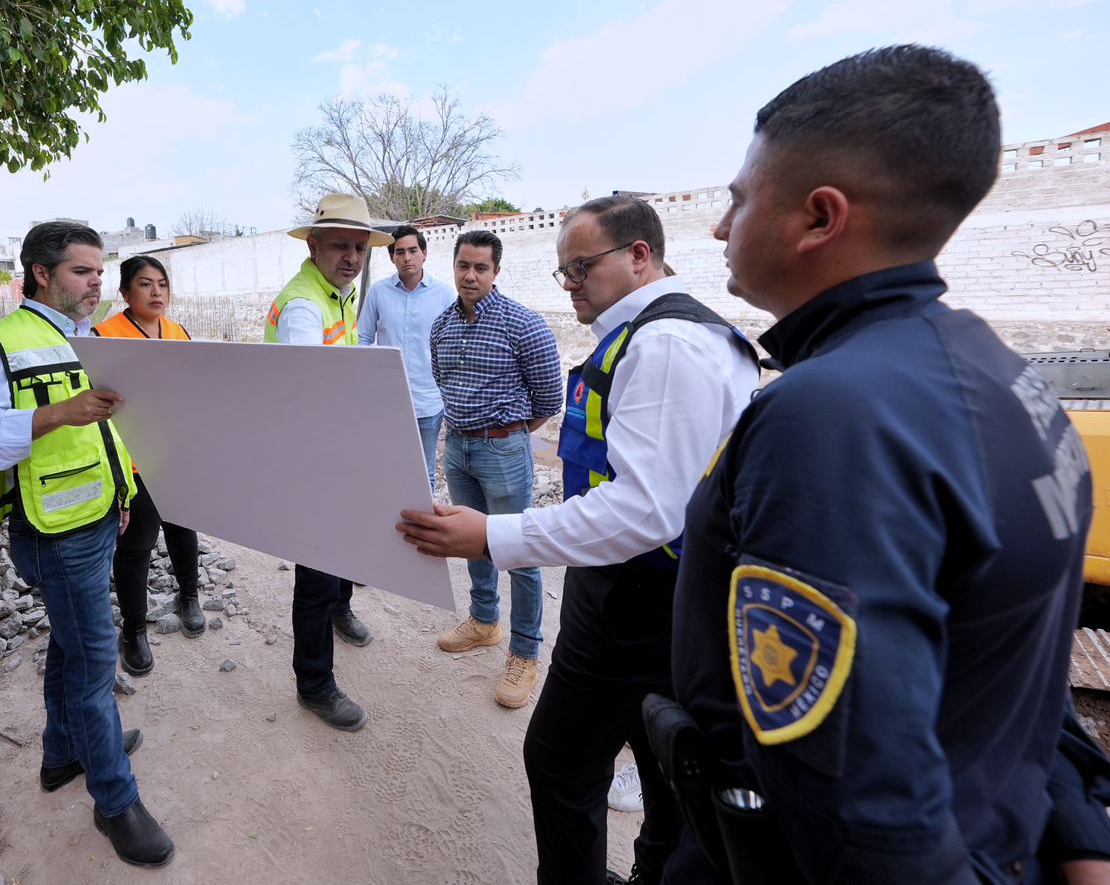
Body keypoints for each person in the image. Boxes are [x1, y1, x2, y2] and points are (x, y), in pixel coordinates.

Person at [665, 45, 1110, 883]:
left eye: (738, 200)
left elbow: (860, 807)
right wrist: (1087, 840)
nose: (718, 226)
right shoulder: (996, 371)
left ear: (820, 217)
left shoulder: (834, 414)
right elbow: (1008, 664)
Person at [399, 198, 757, 883]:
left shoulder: (665, 346)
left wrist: (495, 535)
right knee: (664, 766)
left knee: (562, 761)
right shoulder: (656, 335)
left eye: (582, 267)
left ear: (640, 255)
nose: (570, 282)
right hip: (658, 594)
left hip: (638, 600)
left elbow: (649, 511)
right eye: (564, 270)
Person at [0, 221, 173, 869]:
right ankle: (114, 799)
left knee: (73, 646)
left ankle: (61, 756)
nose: (97, 282)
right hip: (53, 530)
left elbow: (106, 431)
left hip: (98, 514)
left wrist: (123, 496)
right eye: (84, 271)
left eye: (100, 272)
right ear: (41, 273)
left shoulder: (86, 337)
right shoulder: (1, 342)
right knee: (94, 663)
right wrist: (57, 414)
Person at [263, 193, 391, 731]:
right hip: (309, 460)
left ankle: (340, 607)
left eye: (360, 247)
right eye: (340, 244)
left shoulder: (336, 295)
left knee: (340, 555)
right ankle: (314, 684)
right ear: (313, 245)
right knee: (315, 572)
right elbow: (307, 396)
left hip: (333, 450)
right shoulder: (303, 306)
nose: (352, 256)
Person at [426, 229, 562, 709]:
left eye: (481, 267)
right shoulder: (442, 325)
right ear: (454, 266)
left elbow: (549, 396)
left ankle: (525, 651)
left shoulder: (522, 325)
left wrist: (511, 435)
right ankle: (484, 621)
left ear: (496, 271)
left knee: (519, 549)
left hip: (503, 451)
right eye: (463, 265)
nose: (470, 275)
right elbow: (443, 381)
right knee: (472, 541)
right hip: (459, 449)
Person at [93, 255, 206, 677]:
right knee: (137, 545)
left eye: (162, 284)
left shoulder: (178, 332)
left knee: (182, 528)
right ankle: (134, 631)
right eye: (145, 284)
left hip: (175, 453)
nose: (157, 292)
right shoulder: (105, 335)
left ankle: (188, 596)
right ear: (125, 292)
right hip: (132, 459)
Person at [357, 225, 455, 492]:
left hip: (428, 400)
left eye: (413, 250)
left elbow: (454, 345)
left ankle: (422, 529)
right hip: (387, 400)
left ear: (424, 253)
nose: (407, 257)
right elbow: (363, 339)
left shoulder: (445, 294)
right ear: (392, 258)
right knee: (387, 465)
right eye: (400, 252)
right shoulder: (378, 292)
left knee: (424, 472)